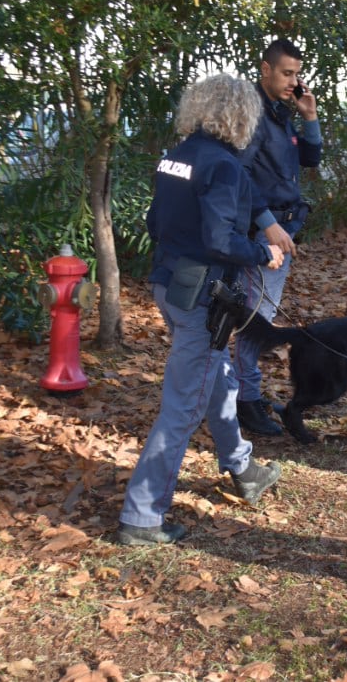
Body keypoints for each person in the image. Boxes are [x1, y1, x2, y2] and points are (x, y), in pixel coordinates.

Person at [117, 74, 285, 546]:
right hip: (203, 298)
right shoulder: (225, 166)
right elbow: (219, 239)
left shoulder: (176, 156)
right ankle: (142, 517)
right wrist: (261, 253)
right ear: (241, 116)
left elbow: (155, 222)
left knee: (221, 378)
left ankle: (244, 468)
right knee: (182, 406)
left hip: (168, 285)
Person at [233, 39, 324, 437]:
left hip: (281, 230)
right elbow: (236, 175)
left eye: (297, 74)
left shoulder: (278, 112)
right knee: (256, 321)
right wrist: (266, 221)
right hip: (261, 235)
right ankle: (245, 403)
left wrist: (310, 117)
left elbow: (310, 159)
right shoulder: (250, 114)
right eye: (286, 73)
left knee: (257, 316)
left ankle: (243, 394)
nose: (294, 81)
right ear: (265, 69)